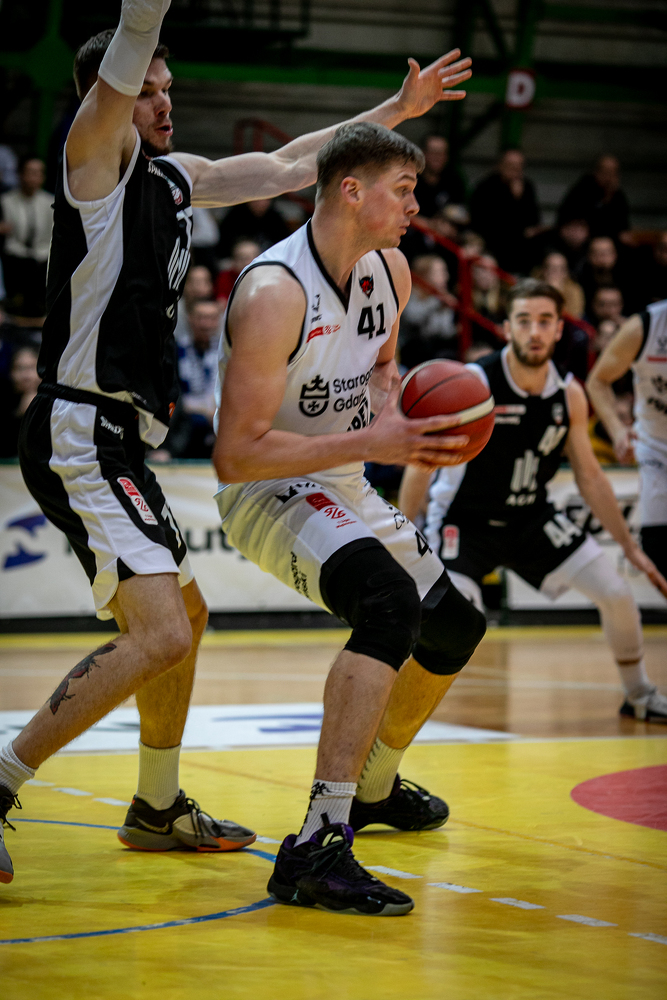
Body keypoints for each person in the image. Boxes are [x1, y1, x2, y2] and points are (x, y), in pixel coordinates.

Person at [0, 0, 473, 885]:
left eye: (169, 87)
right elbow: (122, 64)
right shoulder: (92, 167)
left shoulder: (178, 178)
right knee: (160, 635)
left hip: (122, 435)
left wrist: (394, 112)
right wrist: (145, 13)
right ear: (107, 98)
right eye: (147, 89)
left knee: (185, 621)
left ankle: (156, 805)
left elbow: (295, 164)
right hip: (80, 423)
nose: (164, 101)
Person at [213, 123, 486, 916]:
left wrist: (399, 407)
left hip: (344, 479)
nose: (415, 205)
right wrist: (375, 440)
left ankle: (373, 788)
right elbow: (234, 456)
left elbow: (383, 366)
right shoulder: (275, 293)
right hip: (269, 489)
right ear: (351, 191)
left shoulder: (391, 271)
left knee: (454, 627)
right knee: (388, 605)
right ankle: (317, 842)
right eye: (403, 189)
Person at [400, 279, 667, 727]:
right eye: (524, 321)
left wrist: (630, 548)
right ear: (507, 328)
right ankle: (402, 710)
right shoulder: (473, 383)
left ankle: (639, 694)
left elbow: (589, 476)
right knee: (456, 618)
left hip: (530, 517)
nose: (535, 331)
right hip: (464, 522)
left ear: (560, 328)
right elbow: (421, 465)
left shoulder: (569, 393)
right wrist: (404, 537)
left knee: (618, 594)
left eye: (545, 321)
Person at [587, 300, 667, 578]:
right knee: (657, 549)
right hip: (657, 447)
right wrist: (618, 430)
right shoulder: (644, 327)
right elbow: (597, 381)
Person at [469, 149, 541, 274]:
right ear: (500, 165)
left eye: (519, 166)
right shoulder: (485, 187)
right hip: (494, 242)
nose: (515, 170)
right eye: (511, 165)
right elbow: (487, 221)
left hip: (521, 245)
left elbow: (533, 220)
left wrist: (519, 199)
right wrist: (514, 200)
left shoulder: (527, 186)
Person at [0, 156, 53, 322]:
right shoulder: (6, 201)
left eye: (39, 173)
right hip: (16, 254)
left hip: (43, 254)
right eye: (31, 172)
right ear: (20, 174)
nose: (35, 178)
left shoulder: (50, 202)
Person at [175, 299, 221, 457]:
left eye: (211, 318)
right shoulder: (176, 350)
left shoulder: (226, 352)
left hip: (218, 416)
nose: (206, 324)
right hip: (185, 420)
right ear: (190, 319)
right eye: (201, 317)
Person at [399, 253, 457, 369]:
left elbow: (444, 332)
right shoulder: (409, 293)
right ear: (424, 275)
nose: (446, 277)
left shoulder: (442, 297)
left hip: (434, 350)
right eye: (440, 272)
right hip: (409, 350)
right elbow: (412, 318)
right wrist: (436, 306)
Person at [558, 155, 630, 242]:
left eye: (613, 173)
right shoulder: (582, 190)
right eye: (605, 172)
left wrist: (609, 196)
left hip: (608, 241)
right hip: (582, 241)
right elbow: (571, 220)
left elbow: (623, 228)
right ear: (596, 172)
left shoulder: (618, 196)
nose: (608, 177)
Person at [413, 133, 465, 222]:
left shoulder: (454, 180)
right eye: (433, 152)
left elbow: (463, 214)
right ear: (422, 153)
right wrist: (430, 225)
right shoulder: (411, 179)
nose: (437, 157)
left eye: (442, 153)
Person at [217, 197, 290, 258]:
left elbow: (284, 244)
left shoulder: (275, 218)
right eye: (257, 200)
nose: (261, 203)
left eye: (266, 199)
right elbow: (223, 248)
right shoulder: (234, 217)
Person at [214, 237, 261, 307]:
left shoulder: (267, 277)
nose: (247, 263)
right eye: (242, 258)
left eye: (252, 258)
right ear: (234, 260)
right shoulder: (224, 278)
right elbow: (222, 304)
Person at [537, 251, 584, 319]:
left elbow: (575, 317)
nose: (555, 272)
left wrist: (556, 293)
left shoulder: (574, 290)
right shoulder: (534, 288)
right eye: (551, 268)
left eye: (561, 269)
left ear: (566, 272)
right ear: (544, 270)